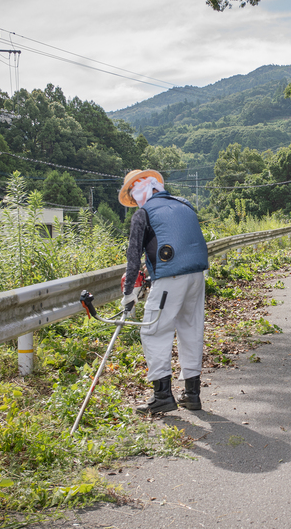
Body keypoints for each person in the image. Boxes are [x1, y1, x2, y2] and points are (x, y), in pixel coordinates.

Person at [119, 169, 209, 414]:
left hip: (171, 276)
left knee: (154, 331)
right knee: (190, 328)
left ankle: (162, 397)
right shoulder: (185, 205)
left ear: (141, 192)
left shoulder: (143, 214)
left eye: (133, 194)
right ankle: (192, 395)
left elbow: (133, 257)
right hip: (197, 276)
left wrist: (129, 293)